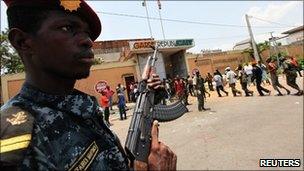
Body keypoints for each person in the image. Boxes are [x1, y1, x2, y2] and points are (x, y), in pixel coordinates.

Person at [0, 0, 176, 170]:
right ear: (22, 42)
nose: (88, 41)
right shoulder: (17, 139)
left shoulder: (82, 110)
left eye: (87, 33)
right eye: (67, 28)